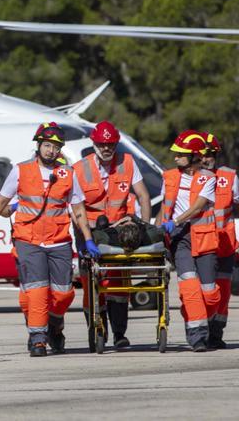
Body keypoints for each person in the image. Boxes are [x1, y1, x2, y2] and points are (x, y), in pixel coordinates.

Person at [0, 123, 95, 357]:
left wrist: (88, 239)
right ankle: (38, 339)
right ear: (38, 145)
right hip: (28, 240)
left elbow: (78, 209)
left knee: (63, 294)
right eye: (47, 145)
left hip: (59, 240)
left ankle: (54, 324)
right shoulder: (21, 170)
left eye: (56, 147)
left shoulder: (68, 174)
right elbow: (1, 201)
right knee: (38, 290)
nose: (51, 151)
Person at [72, 121, 154, 349]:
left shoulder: (127, 162)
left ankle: (120, 334)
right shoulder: (79, 168)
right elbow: (75, 208)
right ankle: (97, 331)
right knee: (91, 287)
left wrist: (145, 229)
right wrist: (82, 240)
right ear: (94, 143)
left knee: (118, 286)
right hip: (90, 234)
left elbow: (143, 196)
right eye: (102, 144)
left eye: (110, 144)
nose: (106, 148)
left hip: (117, 234)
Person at [159, 130, 220, 352]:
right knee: (190, 286)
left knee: (209, 293)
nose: (175, 158)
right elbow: (164, 206)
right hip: (179, 238)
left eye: (180, 154)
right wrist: (158, 230)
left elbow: (198, 206)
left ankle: (199, 317)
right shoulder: (169, 177)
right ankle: (197, 338)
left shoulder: (209, 179)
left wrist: (174, 220)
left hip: (203, 238)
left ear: (193, 155)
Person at [201, 133, 239, 349]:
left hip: (225, 245)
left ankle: (216, 333)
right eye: (200, 154)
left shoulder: (228, 177)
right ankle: (201, 331)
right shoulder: (189, 179)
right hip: (200, 246)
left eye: (209, 154)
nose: (204, 159)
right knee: (205, 292)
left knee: (224, 291)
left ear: (215, 155)